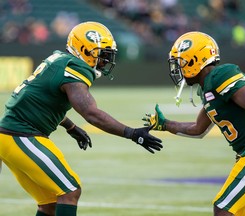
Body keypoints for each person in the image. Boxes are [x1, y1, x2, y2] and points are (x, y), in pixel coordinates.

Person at [0, 21, 163, 216]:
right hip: (22, 136)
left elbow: (40, 100)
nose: (105, 60)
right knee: (70, 191)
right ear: (85, 50)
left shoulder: (59, 59)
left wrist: (70, 126)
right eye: (102, 54)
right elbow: (92, 114)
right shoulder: (74, 67)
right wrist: (132, 133)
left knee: (49, 203)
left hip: (11, 136)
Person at [143, 31, 245, 216]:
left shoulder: (221, 75)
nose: (178, 68)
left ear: (196, 60)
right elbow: (198, 129)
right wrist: (165, 124)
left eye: (182, 62)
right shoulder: (208, 88)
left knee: (222, 208)